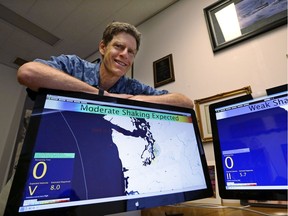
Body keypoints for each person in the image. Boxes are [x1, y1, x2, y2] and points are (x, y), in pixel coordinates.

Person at [17, 21, 194, 109]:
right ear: (103, 47)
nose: (125, 54)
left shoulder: (132, 87)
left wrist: (135, 100)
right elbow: (27, 72)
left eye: (131, 51)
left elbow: (185, 103)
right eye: (119, 46)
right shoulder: (73, 65)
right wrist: (100, 95)